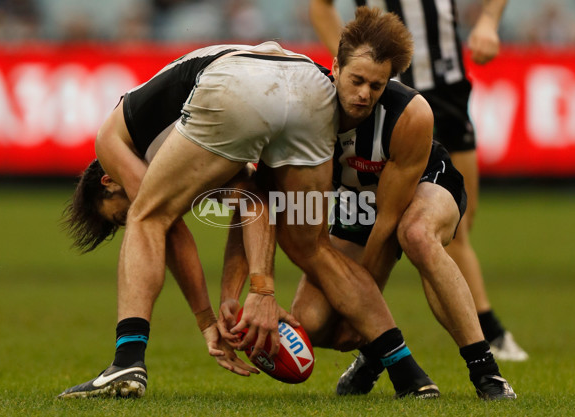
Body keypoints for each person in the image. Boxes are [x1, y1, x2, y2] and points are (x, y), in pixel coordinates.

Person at [58, 40, 436, 399]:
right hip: (308, 83)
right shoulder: (187, 144)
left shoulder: (110, 142)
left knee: (149, 216)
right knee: (315, 247)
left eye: (117, 213)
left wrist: (207, 320)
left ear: (108, 180)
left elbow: (166, 223)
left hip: (238, 83)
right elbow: (253, 199)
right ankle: (406, 371)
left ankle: (127, 361)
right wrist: (258, 290)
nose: (127, 210)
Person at [219, 8, 515, 400]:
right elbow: (259, 205)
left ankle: (486, 373)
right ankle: (377, 356)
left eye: (376, 86)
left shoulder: (410, 114)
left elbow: (389, 223)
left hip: (426, 186)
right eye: (356, 80)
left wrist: (365, 320)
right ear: (335, 66)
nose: (364, 95)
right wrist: (245, 293)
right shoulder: (298, 112)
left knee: (417, 236)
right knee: (312, 322)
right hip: (358, 203)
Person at [309, 0, 527, 362]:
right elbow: (321, 6)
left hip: (446, 85)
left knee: (457, 225)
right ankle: (487, 332)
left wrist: (489, 21)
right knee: (417, 231)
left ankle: (379, 341)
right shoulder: (368, 88)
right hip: (389, 100)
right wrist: (357, 71)